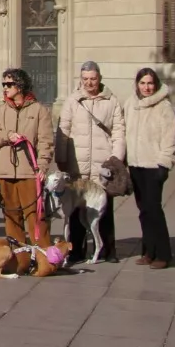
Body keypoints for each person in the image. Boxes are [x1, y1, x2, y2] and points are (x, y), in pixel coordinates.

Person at [58, 60, 126, 263]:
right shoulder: (72, 101)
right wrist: (61, 159)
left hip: (102, 166)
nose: (89, 83)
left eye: (93, 79)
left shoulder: (111, 101)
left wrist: (116, 160)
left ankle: (109, 250)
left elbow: (118, 132)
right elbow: (63, 131)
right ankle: (76, 251)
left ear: (99, 79)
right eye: (85, 79)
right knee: (76, 211)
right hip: (77, 165)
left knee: (104, 210)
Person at [0, 67, 55, 245]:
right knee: (11, 218)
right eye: (3, 84)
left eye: (9, 84)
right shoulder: (0, 110)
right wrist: (8, 136)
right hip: (5, 172)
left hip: (29, 172)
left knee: (36, 217)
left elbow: (46, 142)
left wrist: (42, 167)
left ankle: (43, 255)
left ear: (20, 85)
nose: (5, 87)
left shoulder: (39, 110)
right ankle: (19, 256)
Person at [125, 67, 175, 270]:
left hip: (154, 165)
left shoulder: (164, 106)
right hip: (135, 164)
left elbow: (171, 137)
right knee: (143, 210)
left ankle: (163, 253)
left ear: (156, 84)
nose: (146, 87)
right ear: (137, 84)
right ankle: (149, 251)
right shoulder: (130, 104)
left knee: (154, 209)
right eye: (142, 83)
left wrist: (164, 163)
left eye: (150, 83)